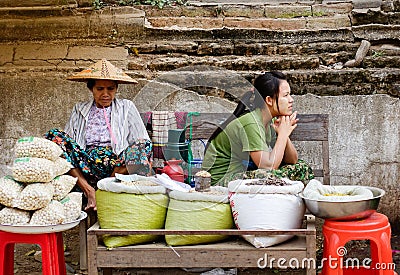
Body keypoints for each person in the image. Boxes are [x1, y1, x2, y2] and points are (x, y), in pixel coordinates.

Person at [45, 59, 152, 210]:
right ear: (91, 89)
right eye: (100, 88)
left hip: (116, 166)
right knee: (54, 136)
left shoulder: (126, 107)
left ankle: (105, 187)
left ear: (116, 89)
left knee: (144, 144)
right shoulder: (80, 108)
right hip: (85, 165)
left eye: (110, 89)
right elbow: (68, 145)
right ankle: (89, 191)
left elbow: (141, 141)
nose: (105, 94)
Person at [202, 71, 313, 186]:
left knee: (301, 167)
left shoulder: (270, 121)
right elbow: (268, 167)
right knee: (270, 176)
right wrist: (283, 134)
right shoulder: (251, 123)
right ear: (269, 100)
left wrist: (283, 133)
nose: (291, 100)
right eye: (285, 95)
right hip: (220, 182)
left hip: (240, 175)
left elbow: (292, 160)